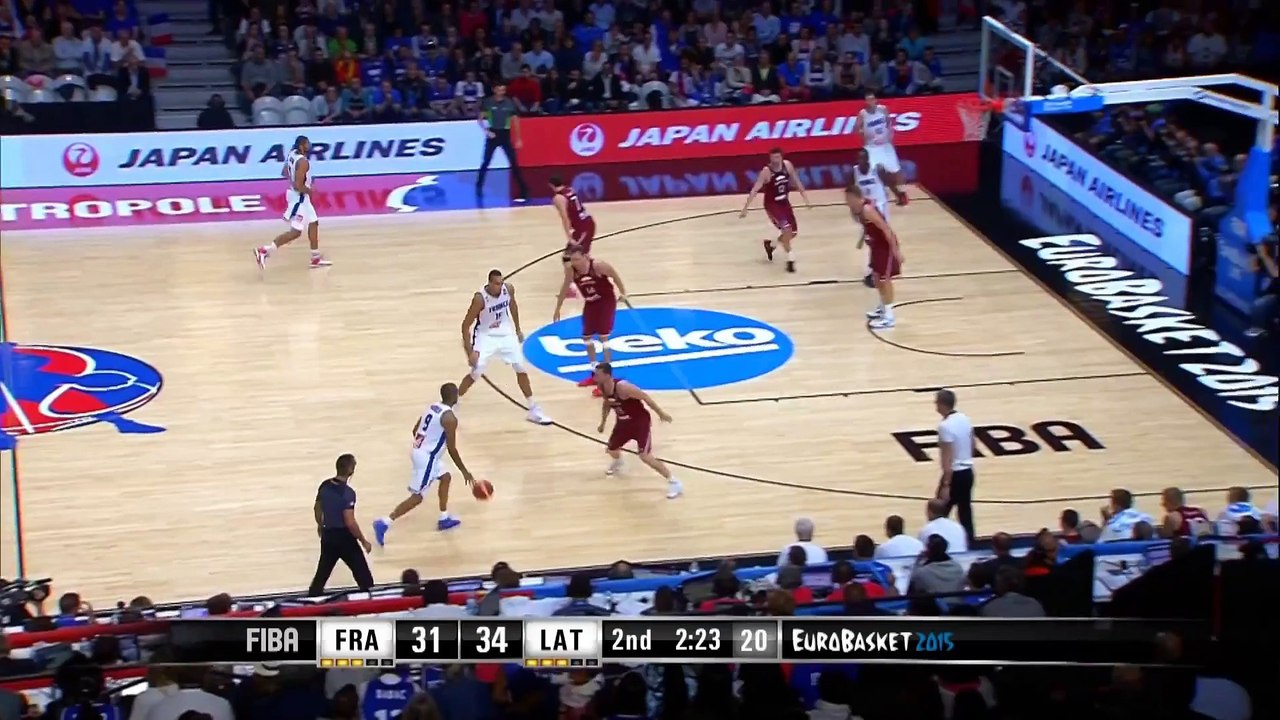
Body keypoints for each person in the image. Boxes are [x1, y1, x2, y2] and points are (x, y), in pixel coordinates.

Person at [374, 383, 475, 541]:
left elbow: (415, 430)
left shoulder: (434, 406)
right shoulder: (450, 418)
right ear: (454, 396)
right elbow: (452, 449)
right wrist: (464, 471)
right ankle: (385, 522)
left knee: (445, 477)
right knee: (418, 497)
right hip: (427, 458)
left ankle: (443, 518)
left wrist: (424, 444)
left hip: (422, 452)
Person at [456, 269, 553, 425]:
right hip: (485, 335)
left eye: (501, 283)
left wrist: (518, 329)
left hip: (505, 332)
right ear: (489, 283)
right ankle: (454, 404)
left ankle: (533, 409)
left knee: (520, 367)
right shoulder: (480, 299)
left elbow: (513, 306)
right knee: (477, 371)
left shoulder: (508, 289)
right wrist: (470, 352)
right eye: (496, 283)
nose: (499, 286)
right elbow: (465, 326)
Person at [594, 362, 682, 498]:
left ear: (606, 375)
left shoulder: (623, 387)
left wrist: (661, 413)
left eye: (597, 375)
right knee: (611, 449)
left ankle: (673, 481)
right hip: (623, 423)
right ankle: (619, 461)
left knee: (645, 456)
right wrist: (603, 422)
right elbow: (607, 404)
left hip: (639, 423)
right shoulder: (602, 386)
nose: (594, 377)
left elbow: (645, 397)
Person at [554, 247, 626, 395]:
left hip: (606, 301)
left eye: (577, 259)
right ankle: (594, 373)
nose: (575, 263)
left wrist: (623, 292)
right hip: (591, 303)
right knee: (586, 337)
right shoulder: (571, 271)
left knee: (603, 337)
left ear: (586, 257)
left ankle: (607, 379)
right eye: (572, 260)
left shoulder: (599, 266)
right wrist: (557, 309)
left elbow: (615, 275)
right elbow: (564, 288)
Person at [254, 135, 332, 270]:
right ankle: (264, 250)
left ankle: (315, 258)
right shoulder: (303, 162)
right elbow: (297, 185)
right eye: (307, 144)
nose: (310, 146)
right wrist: (310, 190)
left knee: (314, 223)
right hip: (299, 198)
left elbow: (284, 172)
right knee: (295, 232)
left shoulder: (292, 154)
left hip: (300, 197)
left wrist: (300, 180)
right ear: (302, 146)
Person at [308, 454, 375, 596]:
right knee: (364, 578)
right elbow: (349, 522)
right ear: (351, 471)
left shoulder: (325, 486)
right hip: (345, 539)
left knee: (321, 576)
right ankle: (370, 603)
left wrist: (321, 525)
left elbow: (317, 508)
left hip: (328, 536)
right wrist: (363, 541)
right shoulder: (348, 493)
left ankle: (311, 603)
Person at [739, 146, 811, 273]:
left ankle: (771, 245)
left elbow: (797, 181)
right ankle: (790, 260)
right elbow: (755, 189)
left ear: (782, 157)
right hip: (772, 205)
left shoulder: (787, 166)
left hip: (784, 203)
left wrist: (806, 199)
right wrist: (745, 208)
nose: (776, 160)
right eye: (773, 157)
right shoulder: (766, 171)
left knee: (793, 233)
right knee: (787, 229)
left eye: (778, 157)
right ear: (770, 158)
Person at [846, 179, 903, 329]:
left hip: (886, 246)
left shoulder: (867, 210)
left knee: (885, 279)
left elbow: (886, 228)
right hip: (876, 246)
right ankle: (883, 306)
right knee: (877, 278)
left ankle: (889, 317)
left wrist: (896, 251)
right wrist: (861, 240)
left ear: (855, 197)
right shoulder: (857, 211)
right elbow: (868, 227)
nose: (847, 202)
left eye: (848, 199)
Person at [475, 80, 529, 202]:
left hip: (505, 135)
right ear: (494, 89)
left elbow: (515, 120)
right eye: (499, 89)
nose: (502, 92)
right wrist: (486, 131)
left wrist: (518, 138)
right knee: (486, 162)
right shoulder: (488, 102)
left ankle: (524, 189)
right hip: (493, 134)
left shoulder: (509, 102)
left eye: (503, 90)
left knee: (514, 163)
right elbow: (480, 118)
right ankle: (478, 186)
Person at [933, 388, 976, 542]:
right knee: (965, 513)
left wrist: (946, 484)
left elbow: (947, 458)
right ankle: (970, 545)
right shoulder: (965, 418)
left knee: (938, 514)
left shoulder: (945, 426)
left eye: (936, 402)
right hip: (968, 471)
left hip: (954, 475)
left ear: (942, 404)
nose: (935, 405)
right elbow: (972, 443)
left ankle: (936, 545)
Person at [851, 146, 896, 287]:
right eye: (860, 158)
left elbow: (890, 183)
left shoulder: (877, 169)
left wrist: (899, 194)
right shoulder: (854, 172)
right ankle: (873, 270)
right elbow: (853, 194)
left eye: (864, 157)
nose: (862, 160)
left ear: (869, 159)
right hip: (866, 211)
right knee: (871, 241)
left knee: (882, 239)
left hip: (880, 208)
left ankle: (879, 269)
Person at [551, 175, 596, 305]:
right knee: (583, 255)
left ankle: (572, 288)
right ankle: (593, 280)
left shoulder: (558, 198)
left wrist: (569, 236)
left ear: (551, 186)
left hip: (582, 229)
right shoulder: (570, 190)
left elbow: (565, 218)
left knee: (569, 257)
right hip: (587, 223)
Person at [857, 91, 908, 206]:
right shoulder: (863, 113)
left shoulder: (883, 109)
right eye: (868, 100)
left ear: (875, 100)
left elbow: (889, 124)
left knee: (896, 170)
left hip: (885, 145)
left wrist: (889, 137)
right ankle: (870, 197)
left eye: (872, 99)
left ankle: (903, 193)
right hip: (871, 147)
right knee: (872, 172)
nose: (870, 102)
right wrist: (863, 135)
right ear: (865, 101)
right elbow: (857, 128)